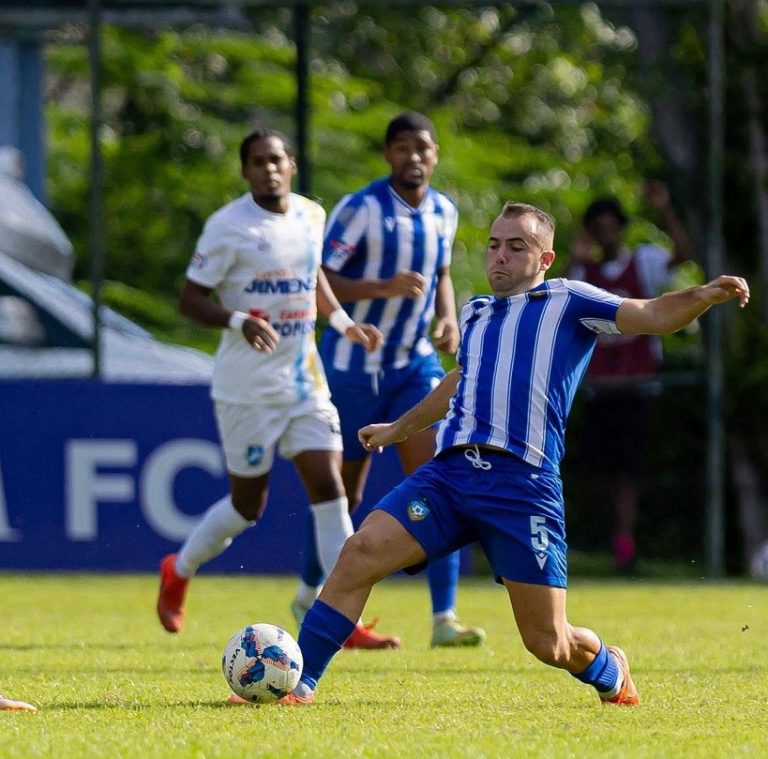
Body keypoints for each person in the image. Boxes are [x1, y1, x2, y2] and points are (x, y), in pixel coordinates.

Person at [271, 200, 748, 706]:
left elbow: (651, 314)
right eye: (495, 245)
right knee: (359, 552)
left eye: (516, 247)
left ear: (544, 259)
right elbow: (460, 380)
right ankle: (297, 686)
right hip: (451, 476)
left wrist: (701, 295)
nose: (500, 256)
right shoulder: (476, 312)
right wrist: (398, 428)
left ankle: (609, 666)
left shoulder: (569, 301)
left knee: (549, 642)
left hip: (523, 487)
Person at [155, 127, 396, 650]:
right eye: (258, 161)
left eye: (277, 159)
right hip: (247, 389)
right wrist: (238, 318)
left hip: (303, 380)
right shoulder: (227, 227)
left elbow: (312, 279)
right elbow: (189, 300)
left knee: (331, 492)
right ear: (245, 172)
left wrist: (343, 324)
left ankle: (338, 616)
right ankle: (180, 567)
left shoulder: (312, 214)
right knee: (248, 507)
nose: (268, 168)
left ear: (290, 166)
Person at [292, 111, 486, 648]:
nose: (413, 157)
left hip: (415, 365)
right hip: (355, 369)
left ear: (436, 154)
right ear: (388, 155)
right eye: (402, 148)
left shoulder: (444, 212)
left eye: (421, 148)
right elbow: (321, 280)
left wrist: (446, 317)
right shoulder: (360, 209)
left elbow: (442, 274)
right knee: (344, 494)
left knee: (440, 478)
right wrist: (382, 287)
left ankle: (443, 617)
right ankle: (312, 591)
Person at [568, 180, 694, 570]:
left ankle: (625, 543)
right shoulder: (581, 273)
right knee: (599, 473)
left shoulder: (645, 262)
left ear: (621, 228)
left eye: (612, 225)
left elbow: (684, 255)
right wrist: (575, 254)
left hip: (637, 388)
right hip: (597, 390)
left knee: (628, 472)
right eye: (597, 226)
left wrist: (664, 209)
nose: (606, 233)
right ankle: (604, 541)